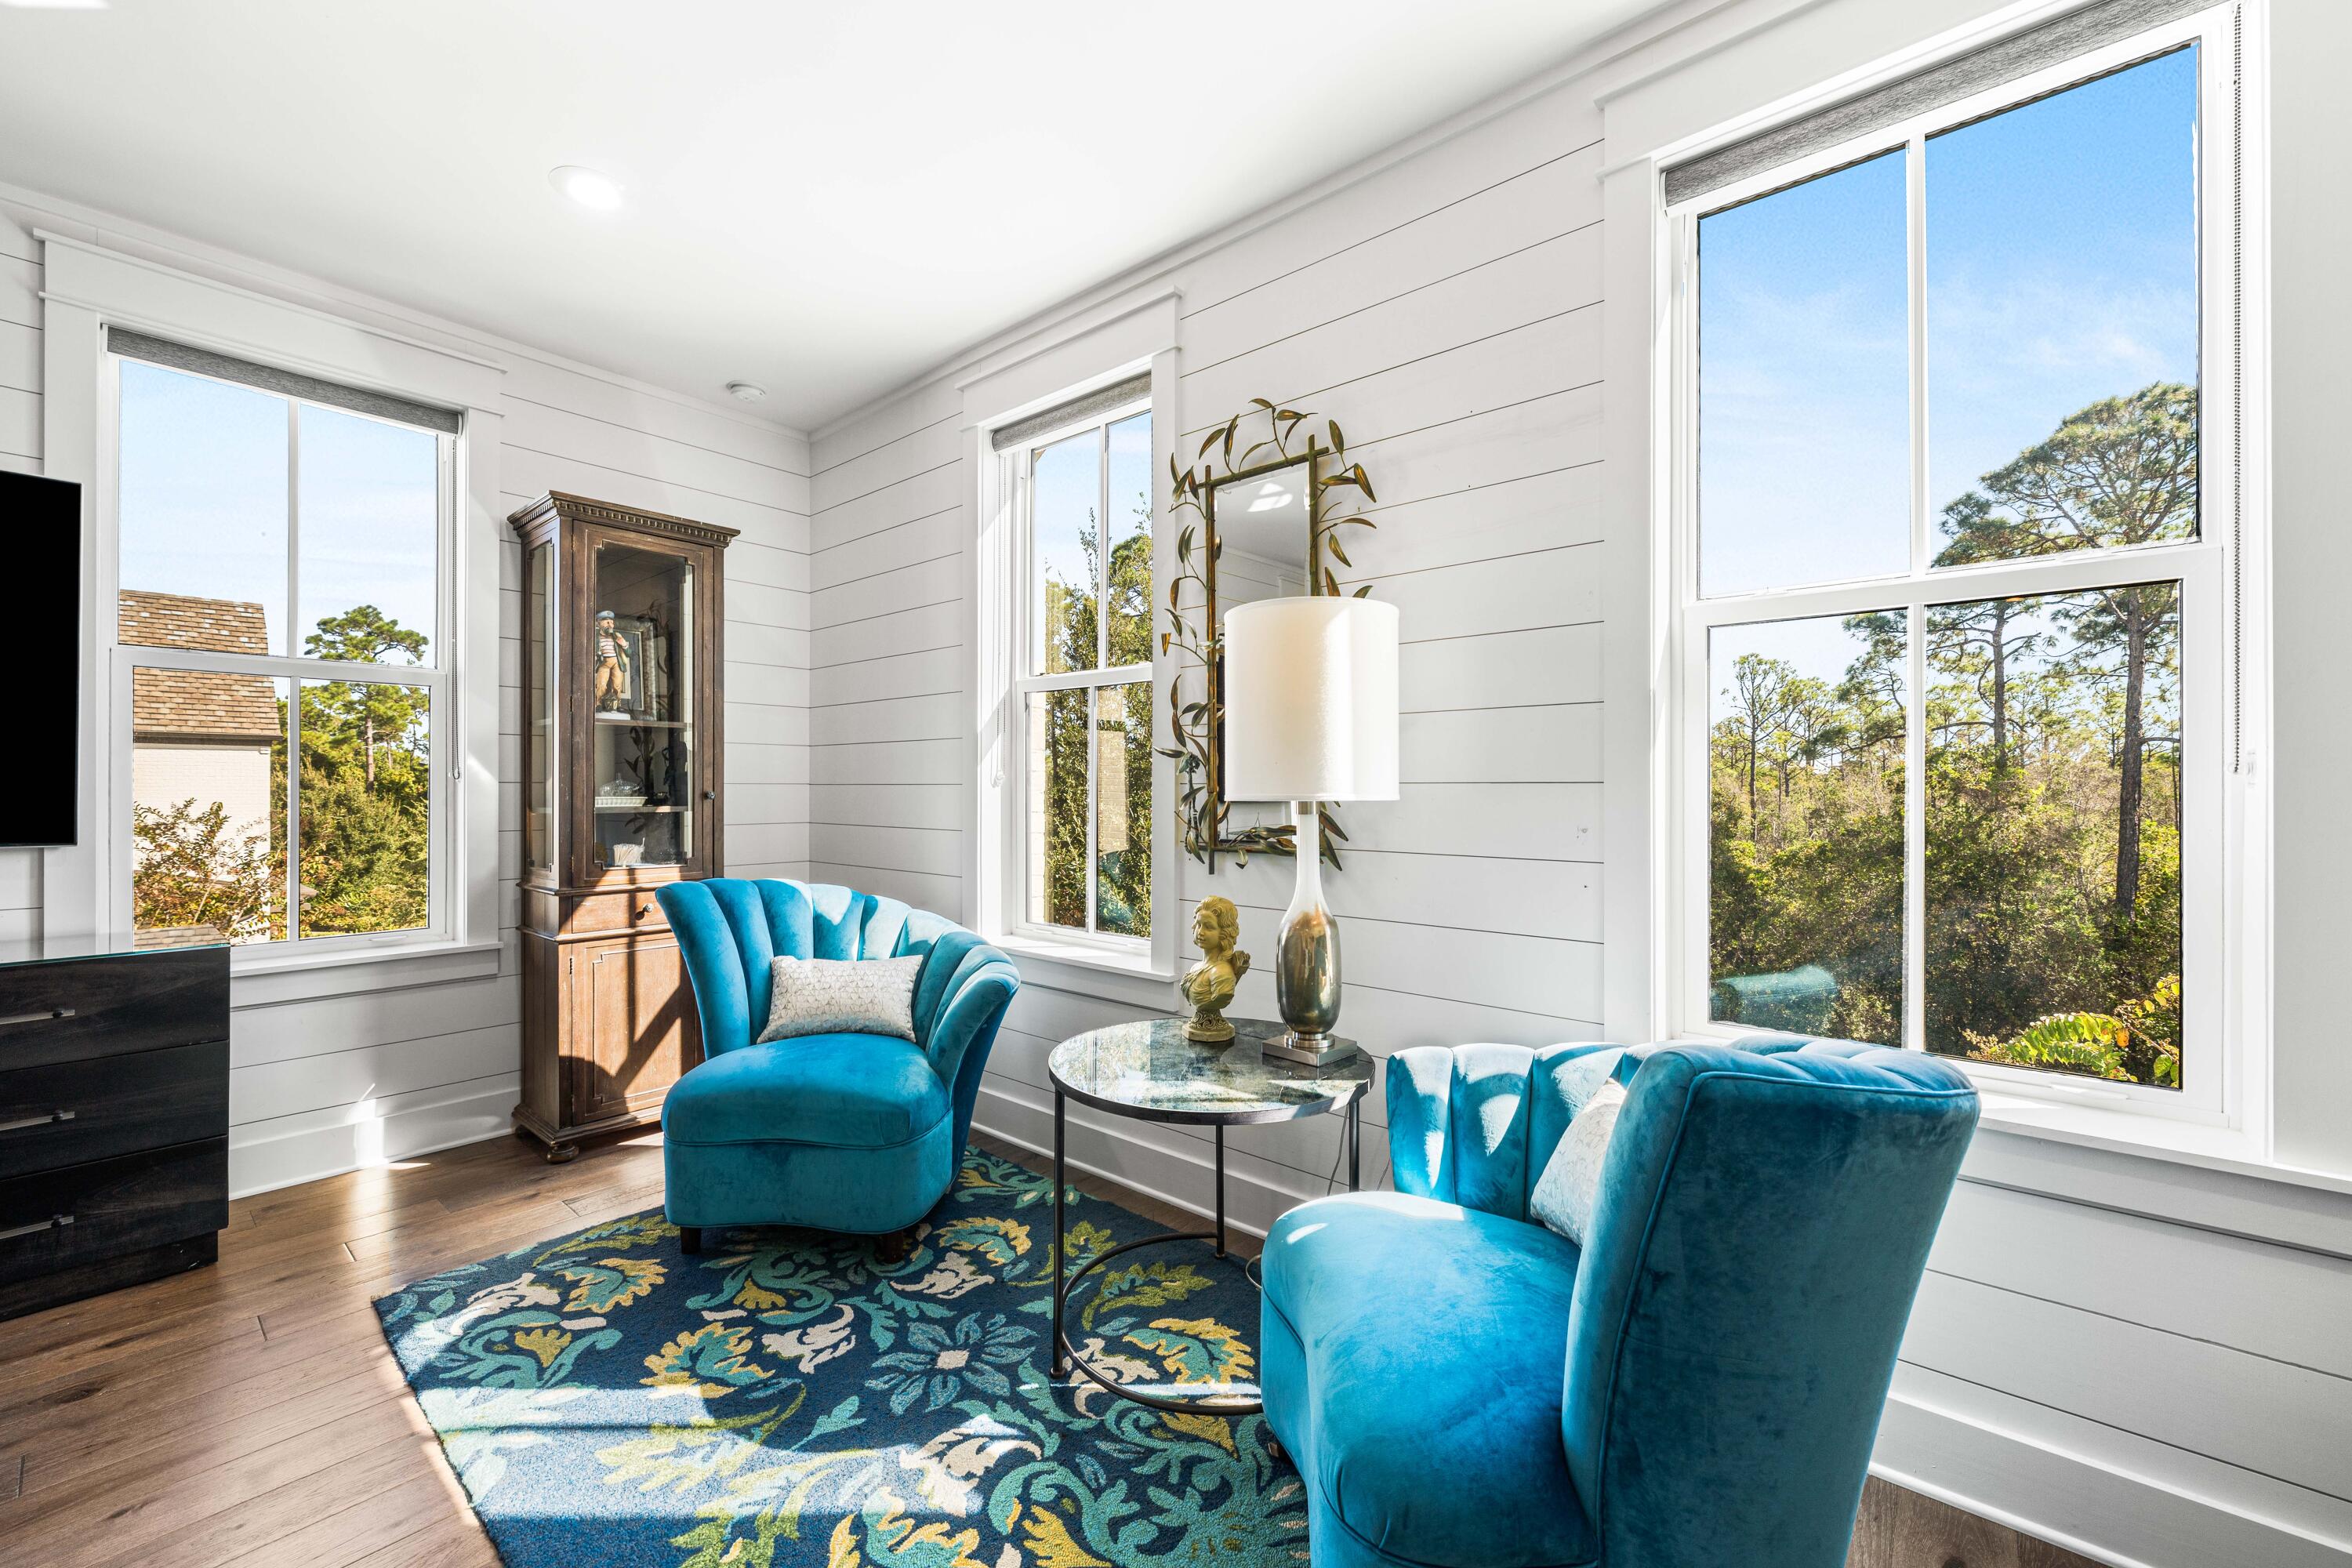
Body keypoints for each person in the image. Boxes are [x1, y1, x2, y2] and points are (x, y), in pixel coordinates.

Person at [1178, 896, 1250, 1042]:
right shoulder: (1196, 967)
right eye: (1198, 924)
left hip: (1213, 1030)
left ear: (1224, 933)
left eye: (1209, 927)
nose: (1200, 932)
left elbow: (1222, 994)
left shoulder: (1221, 973)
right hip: (1197, 1026)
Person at [593, 609, 632, 714]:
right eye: (607, 622)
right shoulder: (595, 637)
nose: (610, 625)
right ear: (599, 623)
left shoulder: (617, 636)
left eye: (612, 623)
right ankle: (598, 704)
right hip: (603, 663)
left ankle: (617, 704)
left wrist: (624, 645)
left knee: (617, 684)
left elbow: (629, 653)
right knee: (601, 684)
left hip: (617, 662)